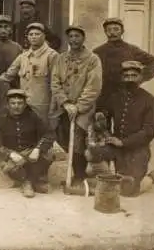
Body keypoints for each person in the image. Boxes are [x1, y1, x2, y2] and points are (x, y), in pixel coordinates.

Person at [50, 25, 103, 191]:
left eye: (77, 36)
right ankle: (78, 171)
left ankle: (80, 176)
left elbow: (93, 86)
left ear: (83, 38)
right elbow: (55, 82)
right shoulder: (60, 58)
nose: (74, 40)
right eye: (71, 36)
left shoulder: (93, 59)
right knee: (63, 137)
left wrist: (78, 107)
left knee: (79, 139)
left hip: (83, 109)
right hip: (63, 107)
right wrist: (65, 103)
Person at [101, 61, 154, 197]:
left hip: (138, 151)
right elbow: (103, 118)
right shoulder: (114, 97)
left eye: (134, 75)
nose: (130, 79)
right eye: (126, 76)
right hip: (116, 149)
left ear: (141, 77)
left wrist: (123, 142)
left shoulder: (150, 100)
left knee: (128, 191)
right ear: (122, 78)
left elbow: (149, 131)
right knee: (106, 182)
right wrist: (106, 134)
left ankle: (152, 177)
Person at [0, 89, 55, 198]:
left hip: (29, 151)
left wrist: (38, 149)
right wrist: (9, 154)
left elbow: (49, 134)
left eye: (20, 103)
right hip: (10, 153)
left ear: (25, 104)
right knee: (10, 168)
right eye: (13, 103)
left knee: (48, 154)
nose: (16, 106)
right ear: (8, 104)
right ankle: (30, 181)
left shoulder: (34, 116)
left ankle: (29, 182)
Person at [93, 17, 154, 111]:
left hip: (126, 94)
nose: (112, 32)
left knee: (125, 124)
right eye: (109, 30)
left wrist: (140, 78)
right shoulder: (98, 52)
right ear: (105, 32)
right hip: (104, 96)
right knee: (101, 124)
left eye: (116, 29)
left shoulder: (131, 49)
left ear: (122, 31)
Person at [0, 22, 59, 125]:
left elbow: (56, 84)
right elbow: (8, 75)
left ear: (44, 36)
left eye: (37, 34)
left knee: (43, 136)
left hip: (42, 107)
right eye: (31, 35)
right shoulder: (23, 56)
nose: (33, 37)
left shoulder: (52, 56)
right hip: (24, 106)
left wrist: (53, 109)